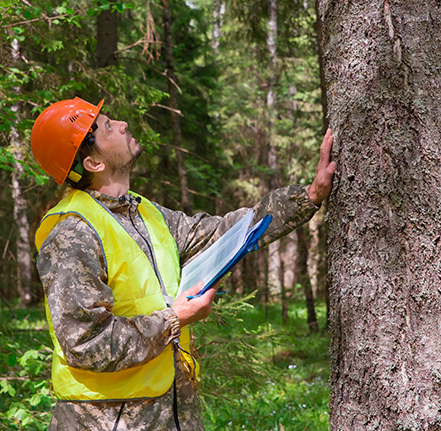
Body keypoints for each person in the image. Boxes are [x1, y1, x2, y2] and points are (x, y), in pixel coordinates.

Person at [31, 97, 336, 431]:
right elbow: (86, 344)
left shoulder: (147, 213)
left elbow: (224, 234)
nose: (122, 125)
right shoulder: (72, 233)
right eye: (108, 127)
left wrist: (309, 195)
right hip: (106, 420)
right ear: (92, 163)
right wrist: (174, 319)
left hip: (172, 411)